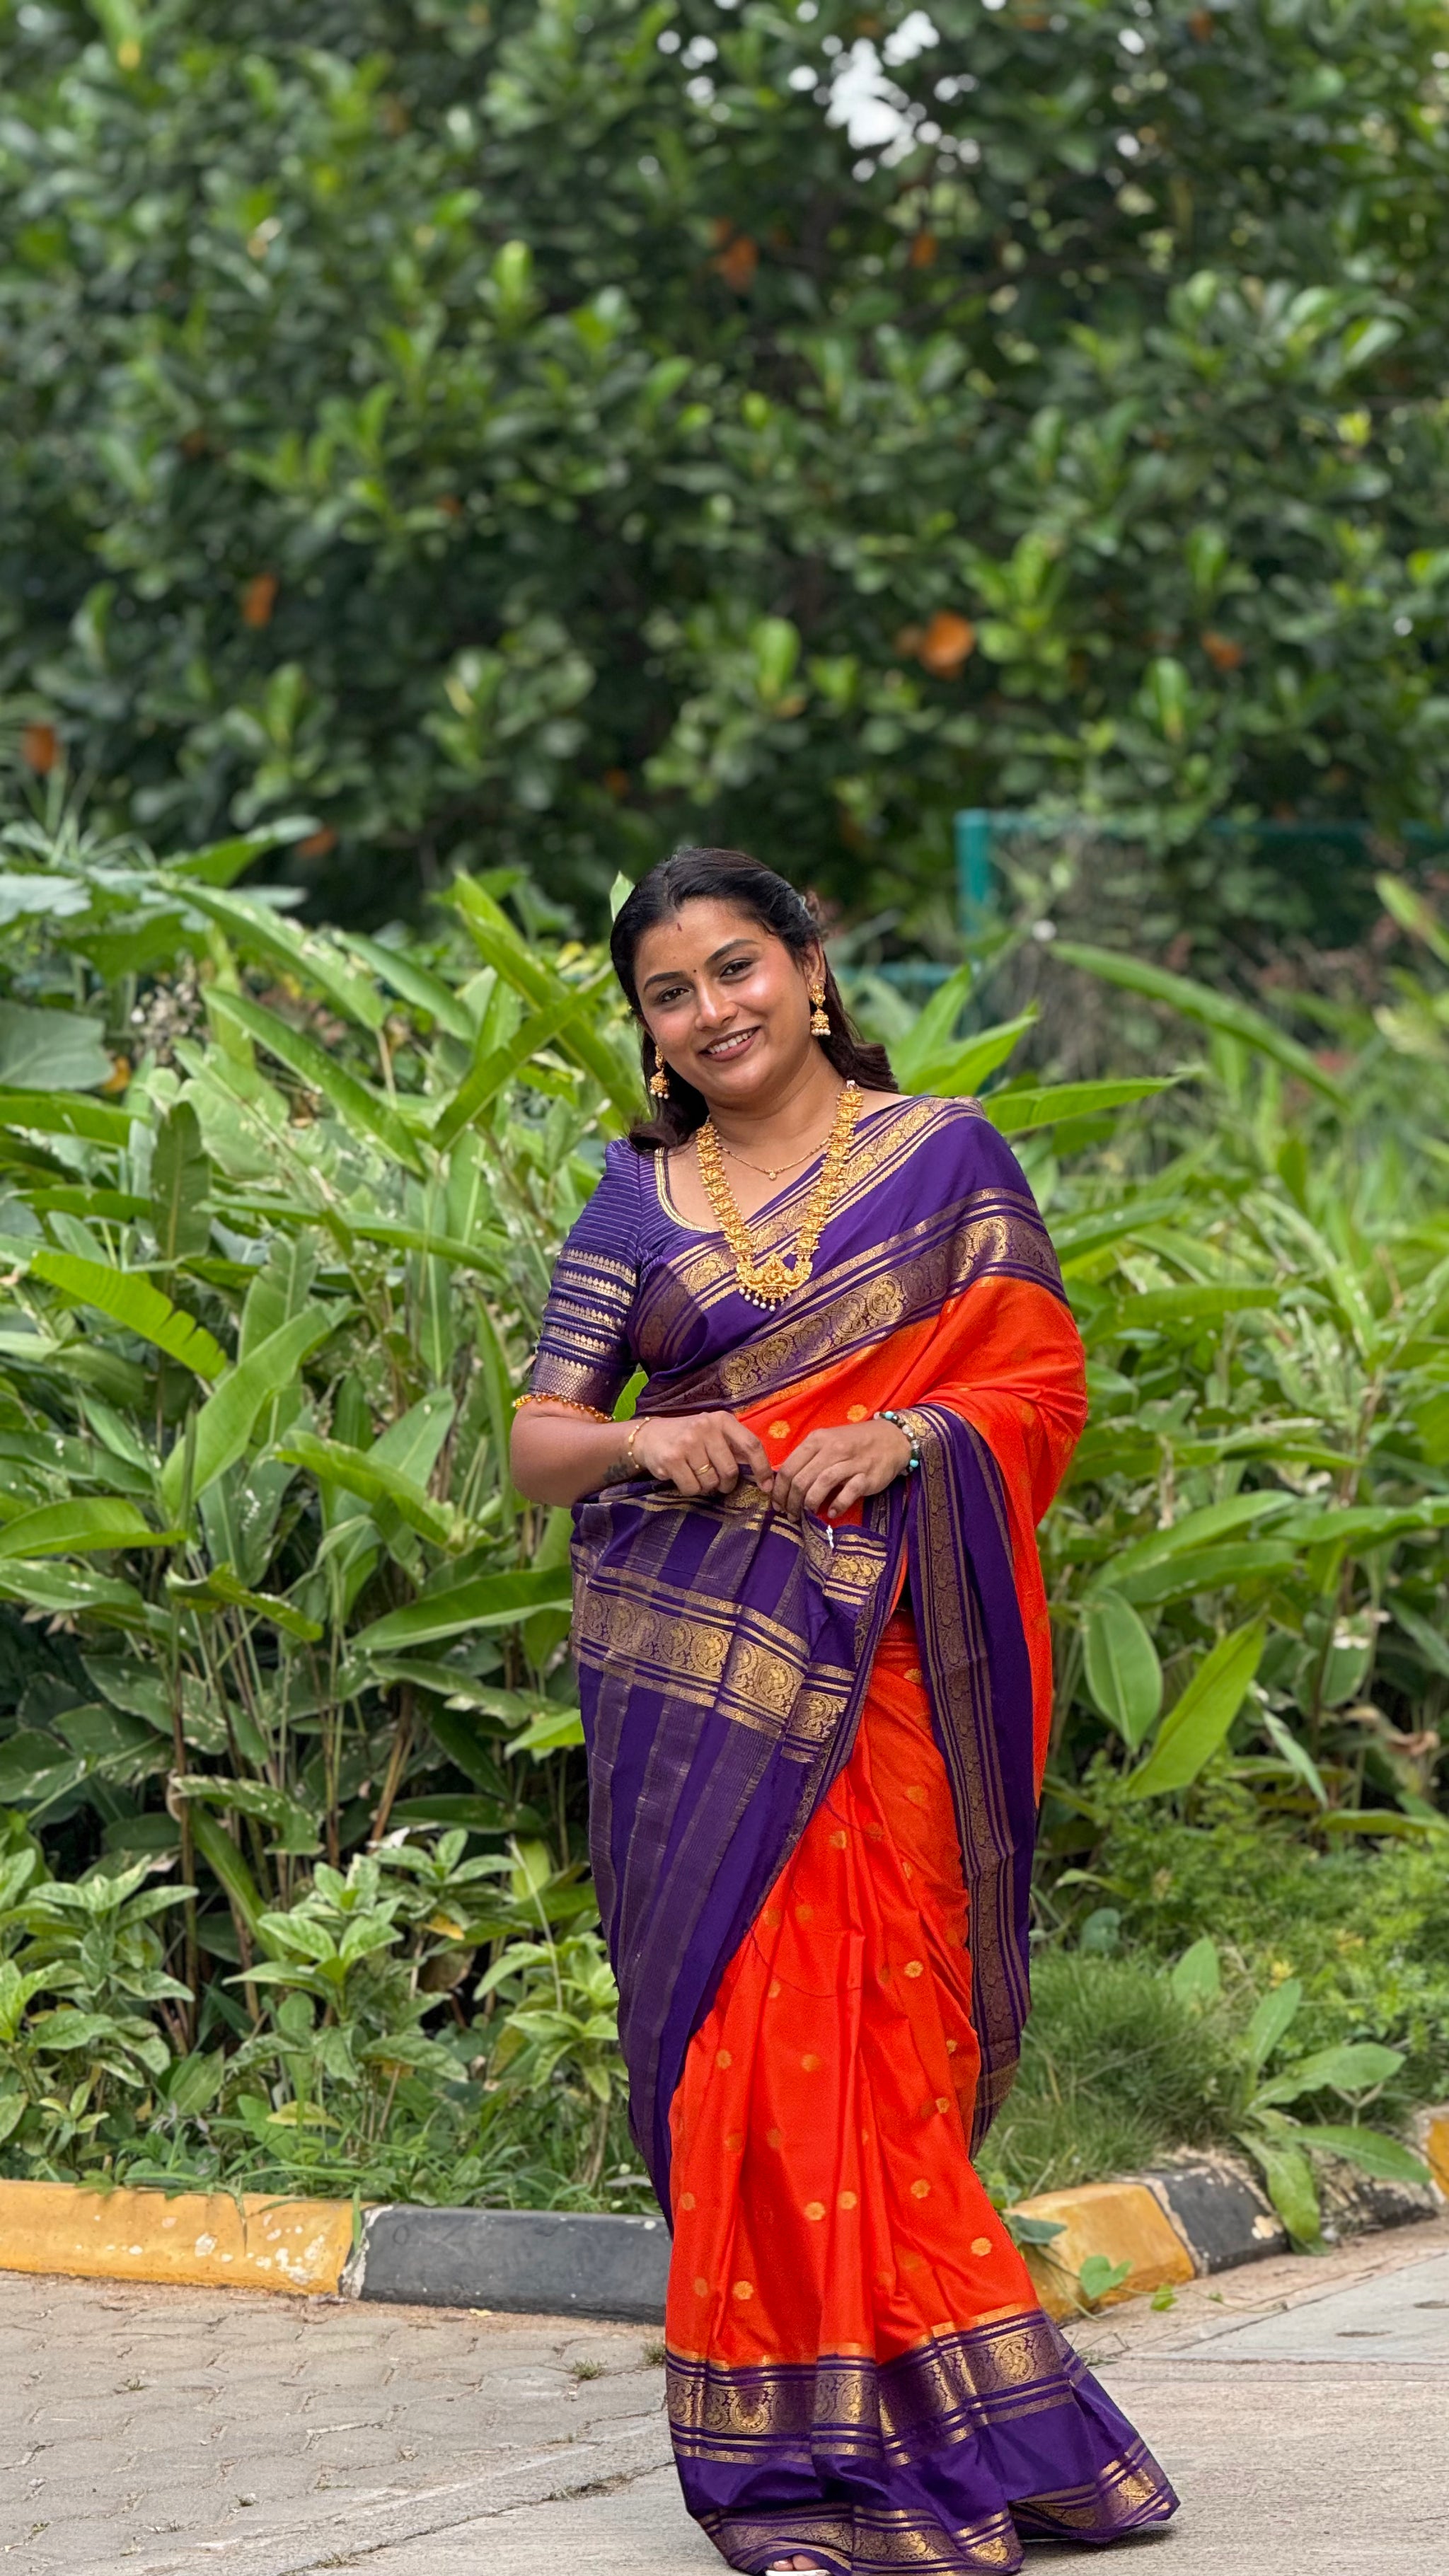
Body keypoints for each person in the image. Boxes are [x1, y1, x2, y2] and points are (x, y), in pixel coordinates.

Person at [510, 848, 1178, 2575]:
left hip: (890, 1678)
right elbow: (539, 1444)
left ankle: (966, 2433)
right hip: (708, 1700)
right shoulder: (636, 1202)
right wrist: (646, 1434)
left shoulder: (944, 1157)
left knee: (880, 2061)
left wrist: (916, 1433)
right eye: (670, 992)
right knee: (746, 2063)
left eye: (737, 967)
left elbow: (1038, 1382)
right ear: (648, 1028)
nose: (713, 1010)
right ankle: (790, 2468)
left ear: (809, 970)